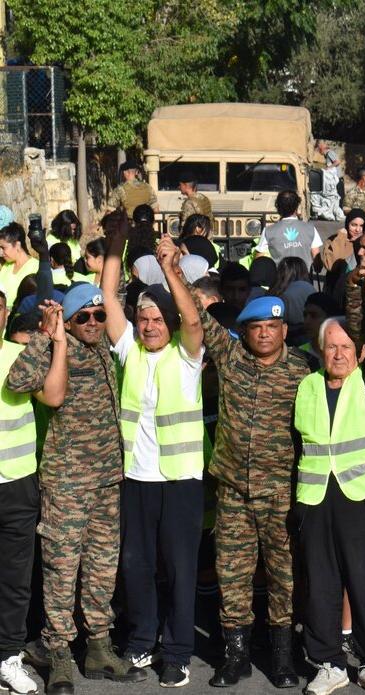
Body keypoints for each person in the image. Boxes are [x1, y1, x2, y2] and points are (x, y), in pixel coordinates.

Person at [7, 282, 148, 694]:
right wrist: (45, 336)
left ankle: (100, 646)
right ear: (68, 320)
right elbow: (18, 381)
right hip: (66, 481)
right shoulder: (55, 347)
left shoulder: (104, 348)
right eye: (82, 317)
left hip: (107, 478)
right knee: (61, 571)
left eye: (99, 315)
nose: (93, 323)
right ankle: (58, 651)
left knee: (102, 566)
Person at [175, 284, 310, 688]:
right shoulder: (231, 358)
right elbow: (195, 318)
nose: (265, 333)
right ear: (244, 331)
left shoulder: (303, 370)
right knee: (231, 573)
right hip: (233, 490)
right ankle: (236, 656)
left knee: (282, 576)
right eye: (256, 327)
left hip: (280, 492)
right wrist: (172, 270)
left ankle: (283, 656)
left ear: (284, 330)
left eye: (272, 326)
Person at [95, 215, 207, 688]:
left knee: (181, 571)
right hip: (137, 479)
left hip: (180, 481)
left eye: (157, 319)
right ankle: (142, 641)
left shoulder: (187, 355)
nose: (148, 326)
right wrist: (118, 244)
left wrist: (172, 271)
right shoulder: (131, 352)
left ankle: (178, 653)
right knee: (136, 564)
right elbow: (107, 298)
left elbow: (195, 319)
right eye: (143, 319)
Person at [296, 262, 365, 695]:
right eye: (330, 347)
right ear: (320, 350)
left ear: (357, 353)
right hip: (316, 498)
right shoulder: (307, 385)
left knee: (362, 580)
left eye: (345, 347)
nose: (338, 354)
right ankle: (328, 663)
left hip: (361, 496)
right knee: (320, 583)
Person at [0, 291, 56, 695]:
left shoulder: (16, 354)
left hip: (18, 482)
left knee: (16, 578)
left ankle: (7, 655)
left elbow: (51, 396)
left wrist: (51, 340)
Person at [256, 190, 321, 265]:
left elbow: (259, 259)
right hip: (304, 275)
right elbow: (317, 258)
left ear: (278, 208)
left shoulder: (268, 231)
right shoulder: (311, 229)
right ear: (296, 207)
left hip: (280, 275)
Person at [0, 224, 40, 305]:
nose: (0, 252)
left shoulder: (36, 267)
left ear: (17, 245)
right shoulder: (6, 266)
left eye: (3, 248)